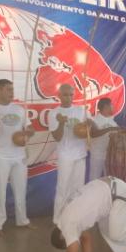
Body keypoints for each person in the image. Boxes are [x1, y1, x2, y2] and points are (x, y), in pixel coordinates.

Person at [0, 79, 34, 233]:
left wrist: (27, 133)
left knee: (21, 189)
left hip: (19, 156)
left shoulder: (19, 109)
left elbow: (31, 129)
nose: (12, 92)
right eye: (8, 89)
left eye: (12, 89)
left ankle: (22, 220)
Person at [49, 83, 91, 226]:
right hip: (65, 154)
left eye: (71, 95)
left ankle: (74, 217)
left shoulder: (81, 111)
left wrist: (89, 126)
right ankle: (58, 219)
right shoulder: (54, 113)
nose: (69, 97)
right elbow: (57, 137)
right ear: (59, 96)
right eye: (65, 95)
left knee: (78, 188)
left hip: (80, 153)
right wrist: (61, 123)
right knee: (63, 187)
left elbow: (90, 132)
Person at [88, 98, 122, 181]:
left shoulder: (112, 121)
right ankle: (93, 194)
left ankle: (106, 194)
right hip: (97, 155)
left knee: (109, 179)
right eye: (111, 105)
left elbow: (119, 136)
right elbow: (93, 134)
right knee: (94, 179)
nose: (113, 107)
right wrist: (109, 129)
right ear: (106, 106)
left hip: (109, 155)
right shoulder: (94, 120)